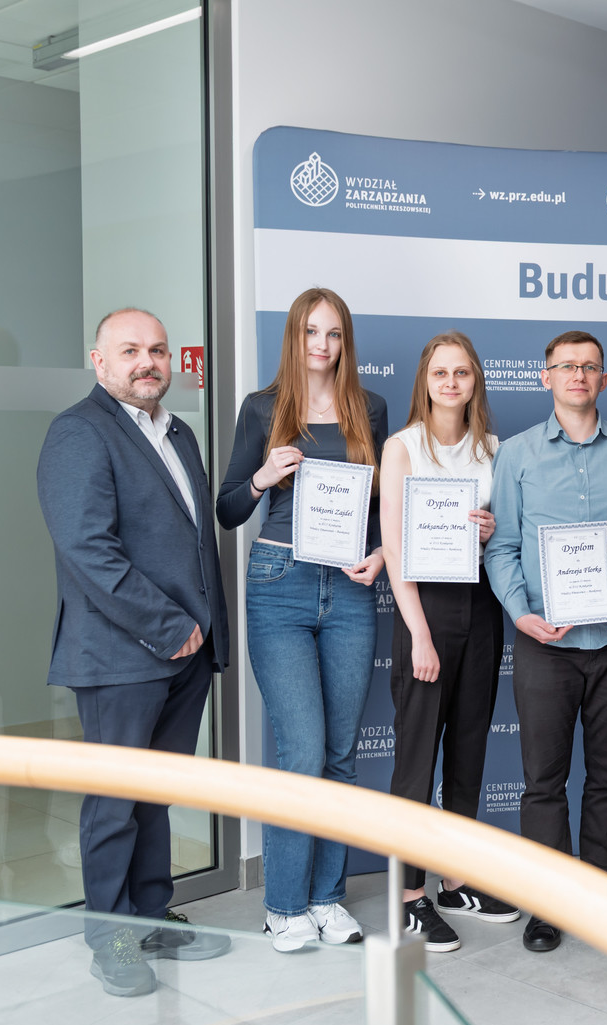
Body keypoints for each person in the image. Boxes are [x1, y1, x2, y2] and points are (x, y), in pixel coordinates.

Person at [37, 308, 232, 996]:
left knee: (156, 797)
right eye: (129, 351)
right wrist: (168, 625)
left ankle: (150, 916)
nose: (147, 362)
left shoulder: (178, 432)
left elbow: (193, 543)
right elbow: (87, 549)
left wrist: (205, 632)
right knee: (115, 803)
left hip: (186, 652)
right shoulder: (79, 431)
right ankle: (110, 936)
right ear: (99, 361)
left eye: (157, 350)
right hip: (121, 653)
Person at [216, 287, 388, 952]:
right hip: (279, 582)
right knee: (303, 752)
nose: (322, 344)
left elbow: (381, 507)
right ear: (294, 337)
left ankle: (326, 899)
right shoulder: (262, 408)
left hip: (349, 588)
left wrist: (380, 553)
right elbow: (229, 508)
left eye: (334, 333)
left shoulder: (369, 408)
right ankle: (283, 906)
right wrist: (262, 476)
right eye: (312, 332)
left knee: (340, 755)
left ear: (346, 342)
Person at [486, 329, 607, 954]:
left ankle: (601, 896)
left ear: (604, 378)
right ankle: (549, 904)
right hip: (542, 644)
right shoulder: (517, 455)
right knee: (543, 782)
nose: (578, 375)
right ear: (545, 376)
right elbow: (501, 546)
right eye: (567, 366)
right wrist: (519, 612)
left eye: (590, 366)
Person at [380, 331, 517, 953]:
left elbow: (507, 536)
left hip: (480, 604)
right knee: (416, 758)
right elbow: (395, 547)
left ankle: (456, 880)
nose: (451, 382)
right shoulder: (403, 447)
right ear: (426, 380)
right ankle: (407, 896)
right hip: (425, 609)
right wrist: (418, 634)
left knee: (468, 751)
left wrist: (491, 530)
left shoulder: (494, 449)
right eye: (441, 372)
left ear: (475, 381)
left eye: (462, 372)